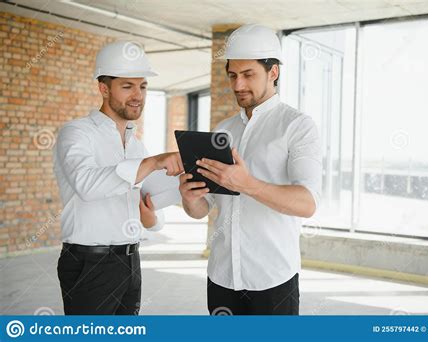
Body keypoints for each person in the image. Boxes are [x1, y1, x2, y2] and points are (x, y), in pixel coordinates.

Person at [178, 24, 322, 315]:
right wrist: (188, 197)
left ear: (273, 73)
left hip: (273, 280)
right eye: (232, 75)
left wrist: (247, 184)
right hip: (221, 278)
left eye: (248, 75)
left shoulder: (297, 126)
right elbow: (202, 208)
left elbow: (307, 204)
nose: (237, 85)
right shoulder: (222, 131)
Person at [53, 41, 183, 315]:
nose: (138, 95)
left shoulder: (135, 144)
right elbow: (87, 185)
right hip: (89, 264)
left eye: (143, 86)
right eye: (127, 86)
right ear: (104, 88)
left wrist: (155, 216)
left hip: (130, 260)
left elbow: (147, 197)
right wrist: (153, 162)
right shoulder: (76, 133)